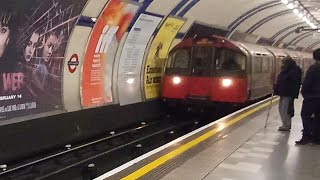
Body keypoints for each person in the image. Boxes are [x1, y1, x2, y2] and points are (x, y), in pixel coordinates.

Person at [296, 48, 320, 145]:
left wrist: (305, 94)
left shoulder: (313, 68)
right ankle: (317, 137)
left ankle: (306, 136)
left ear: (314, 57)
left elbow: (307, 84)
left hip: (312, 98)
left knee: (305, 115)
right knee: (318, 117)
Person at [274, 57, 302, 131]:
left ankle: (287, 125)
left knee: (285, 109)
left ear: (287, 63)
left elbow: (293, 81)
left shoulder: (295, 70)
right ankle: (284, 123)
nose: (282, 64)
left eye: (283, 62)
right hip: (283, 92)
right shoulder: (285, 69)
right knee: (281, 108)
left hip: (289, 93)